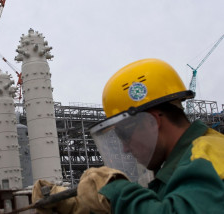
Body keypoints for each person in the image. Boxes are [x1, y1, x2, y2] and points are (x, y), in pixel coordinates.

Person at [32, 58, 224, 214]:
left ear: (151, 122)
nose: (124, 147)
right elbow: (158, 204)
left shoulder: (208, 156)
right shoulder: (184, 165)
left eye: (124, 135)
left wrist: (115, 190)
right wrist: (81, 204)